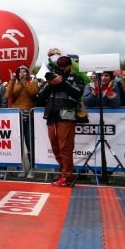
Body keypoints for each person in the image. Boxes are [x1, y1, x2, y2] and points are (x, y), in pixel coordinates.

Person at [36, 55, 84, 187]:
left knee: (65, 148)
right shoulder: (52, 81)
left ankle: (67, 177)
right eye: (60, 66)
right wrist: (51, 84)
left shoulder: (76, 78)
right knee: (55, 148)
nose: (62, 68)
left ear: (69, 66)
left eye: (64, 65)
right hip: (52, 116)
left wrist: (62, 82)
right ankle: (64, 173)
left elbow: (77, 94)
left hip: (67, 117)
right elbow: (39, 99)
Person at [6, 65, 39, 178]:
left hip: (29, 115)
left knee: (30, 143)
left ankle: (32, 168)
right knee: (17, 144)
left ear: (28, 73)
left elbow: (33, 92)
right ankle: (21, 167)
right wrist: (12, 80)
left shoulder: (32, 82)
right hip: (17, 116)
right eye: (20, 71)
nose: (22, 72)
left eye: (24, 71)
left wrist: (24, 81)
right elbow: (9, 95)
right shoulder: (14, 83)